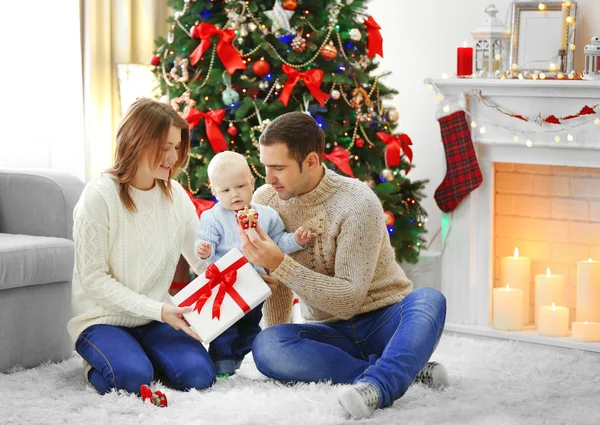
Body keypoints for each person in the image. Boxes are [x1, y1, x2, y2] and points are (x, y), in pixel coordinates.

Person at [237, 112, 448, 419]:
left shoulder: (356, 203)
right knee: (268, 345)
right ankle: (400, 370)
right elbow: (279, 288)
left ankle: (379, 386)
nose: (268, 178)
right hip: (328, 333)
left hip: (384, 320)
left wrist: (280, 263)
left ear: (310, 161)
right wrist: (281, 333)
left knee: (430, 301)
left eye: (278, 168)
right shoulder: (266, 200)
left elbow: (348, 300)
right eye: (266, 166)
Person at [67, 98, 215, 396]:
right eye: (164, 147)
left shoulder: (175, 194)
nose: (173, 156)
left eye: (176, 147)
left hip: (155, 318)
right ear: (136, 141)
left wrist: (246, 273)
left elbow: (202, 260)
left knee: (199, 375)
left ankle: (139, 355)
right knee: (133, 379)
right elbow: (93, 280)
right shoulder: (99, 196)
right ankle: (110, 361)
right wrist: (158, 309)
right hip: (103, 319)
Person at [195, 150, 316, 377]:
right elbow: (205, 242)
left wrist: (297, 240)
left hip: (255, 286)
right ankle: (222, 363)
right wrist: (204, 249)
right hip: (228, 285)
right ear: (214, 191)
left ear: (252, 183)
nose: (235, 195)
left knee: (251, 326)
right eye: (226, 190)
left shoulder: (267, 215)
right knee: (226, 328)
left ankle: (239, 355)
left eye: (240, 186)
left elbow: (278, 241)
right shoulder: (213, 217)